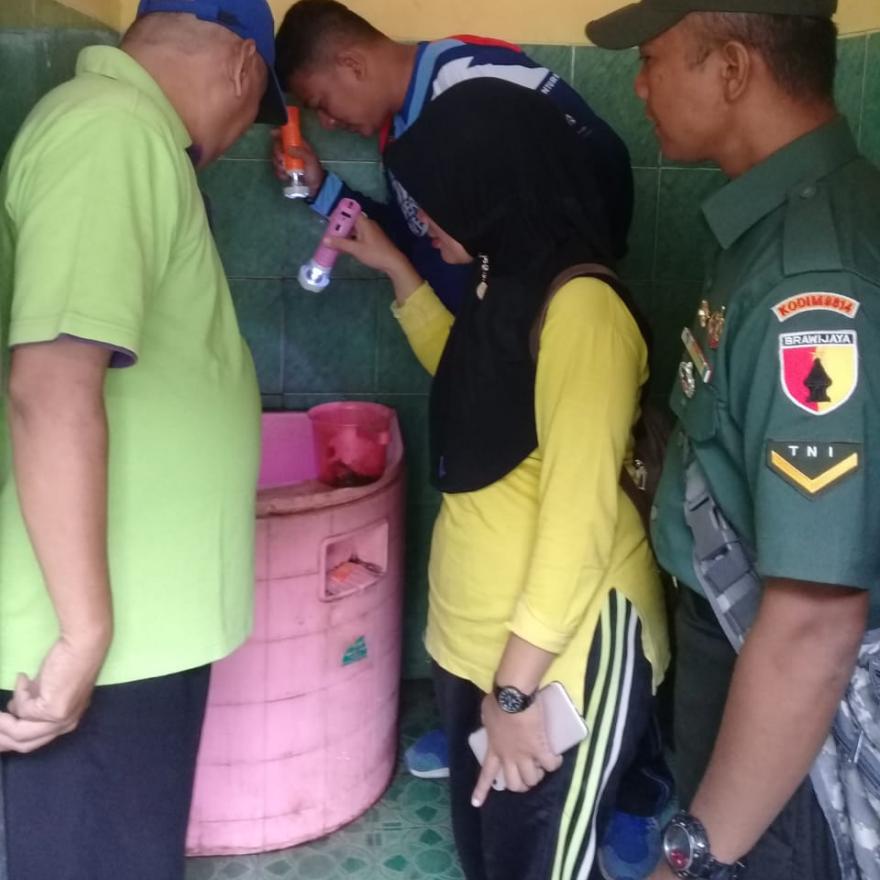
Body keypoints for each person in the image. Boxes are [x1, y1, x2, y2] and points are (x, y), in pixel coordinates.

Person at [324, 77, 670, 880]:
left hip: (559, 661)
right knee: (493, 860)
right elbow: (477, 379)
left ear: (491, 188)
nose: (423, 219)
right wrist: (396, 269)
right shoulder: (504, 281)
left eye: (436, 199)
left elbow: (579, 518)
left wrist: (513, 693)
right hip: (478, 646)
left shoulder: (584, 310)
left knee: (539, 864)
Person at [585, 1, 880, 878]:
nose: (640, 86)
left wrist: (696, 852)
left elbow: (814, 620)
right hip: (741, 648)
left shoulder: (810, 283)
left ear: (733, 69)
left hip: (779, 696)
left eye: (652, 59)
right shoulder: (785, 221)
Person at [0, 1, 286, 878]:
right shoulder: (113, 133)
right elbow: (50, 387)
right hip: (89, 640)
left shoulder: (131, 136)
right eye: (257, 108)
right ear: (243, 66)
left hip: (128, 627)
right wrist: (84, 635)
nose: (238, 136)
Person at [273, 0, 634, 313]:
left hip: (534, 336)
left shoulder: (471, 75)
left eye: (321, 104)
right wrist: (320, 189)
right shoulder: (396, 134)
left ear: (352, 65)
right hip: (472, 341)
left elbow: (603, 155)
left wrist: (579, 276)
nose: (327, 122)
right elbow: (410, 238)